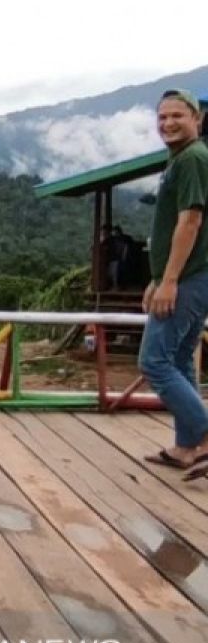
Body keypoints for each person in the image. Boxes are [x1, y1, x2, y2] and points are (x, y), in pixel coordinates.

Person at [135, 90, 208, 474]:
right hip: (188, 276)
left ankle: (205, 435)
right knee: (180, 360)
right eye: (162, 117)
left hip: (191, 277)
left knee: (154, 361)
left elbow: (191, 221)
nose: (167, 124)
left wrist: (170, 281)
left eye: (177, 115)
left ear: (197, 118)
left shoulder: (194, 158)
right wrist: (157, 277)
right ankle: (186, 447)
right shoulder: (181, 159)